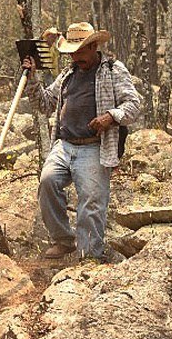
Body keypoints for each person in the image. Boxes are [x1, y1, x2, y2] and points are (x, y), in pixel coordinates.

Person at [22, 22, 141, 261]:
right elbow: (45, 104)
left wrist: (111, 116)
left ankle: (90, 256)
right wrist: (33, 79)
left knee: (91, 202)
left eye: (81, 52)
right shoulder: (68, 74)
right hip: (64, 144)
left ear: (94, 46)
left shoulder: (113, 70)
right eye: (72, 53)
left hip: (94, 147)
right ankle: (63, 240)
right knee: (47, 182)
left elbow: (134, 105)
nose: (76, 57)